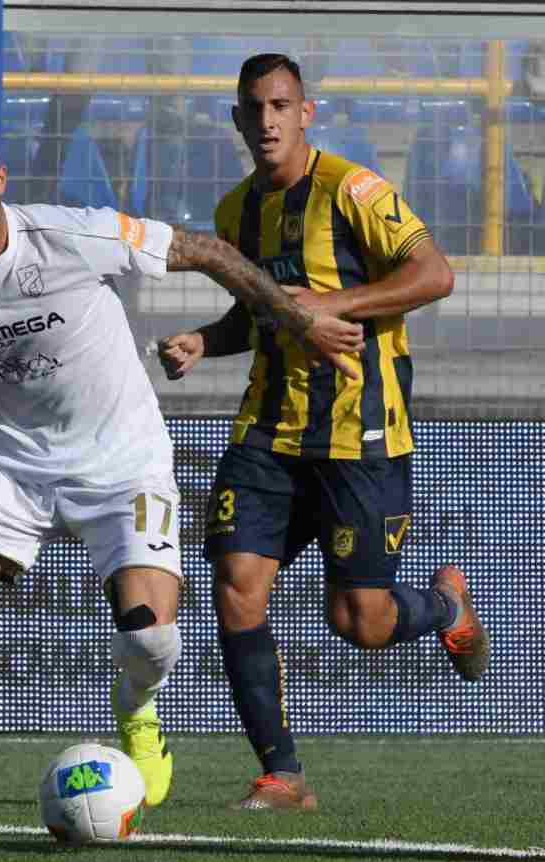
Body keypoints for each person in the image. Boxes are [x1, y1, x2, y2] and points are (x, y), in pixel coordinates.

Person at [0, 107, 364, 844]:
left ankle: (136, 709)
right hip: (11, 468)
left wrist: (296, 319)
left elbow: (204, 251)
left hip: (122, 460)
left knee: (148, 635)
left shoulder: (71, 234)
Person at [157, 53, 489, 811]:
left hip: (359, 432)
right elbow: (258, 309)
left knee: (360, 620)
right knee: (237, 585)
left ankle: (446, 607)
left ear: (306, 113)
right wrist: (207, 341)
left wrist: (333, 305)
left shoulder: (354, 190)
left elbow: (434, 274)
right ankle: (283, 773)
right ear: (238, 119)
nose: (268, 120)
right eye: (254, 108)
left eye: (282, 105)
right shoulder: (234, 212)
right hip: (269, 428)